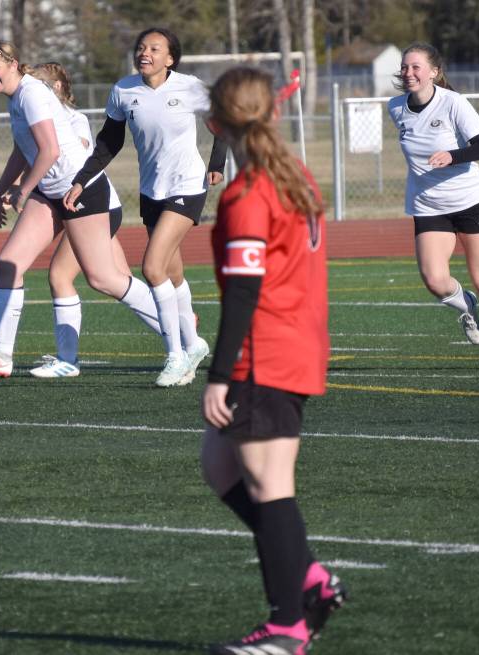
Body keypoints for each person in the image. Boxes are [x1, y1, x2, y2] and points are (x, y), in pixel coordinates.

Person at [199, 67, 345, 655]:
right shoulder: (291, 176)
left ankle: (287, 623)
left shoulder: (250, 192)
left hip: (267, 355)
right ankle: (307, 577)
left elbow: (244, 290)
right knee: (221, 467)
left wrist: (220, 375)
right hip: (293, 347)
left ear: (215, 123)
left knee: (270, 487)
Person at [0, 41, 160, 379]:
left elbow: (50, 150)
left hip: (80, 191)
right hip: (51, 191)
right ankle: (1, 356)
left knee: (103, 278)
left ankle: (178, 329)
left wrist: (22, 190)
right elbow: (24, 150)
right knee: (9, 262)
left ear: (14, 64)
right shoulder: (16, 98)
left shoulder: (31, 93)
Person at [64, 27, 226, 387]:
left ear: (170, 58)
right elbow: (109, 141)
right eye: (141, 47)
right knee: (173, 273)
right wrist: (81, 179)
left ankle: (175, 356)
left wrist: (217, 163)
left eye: (154, 48)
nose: (145, 52)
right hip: (152, 191)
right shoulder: (123, 90)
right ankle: (195, 343)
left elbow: (222, 125)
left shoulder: (190, 87)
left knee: (152, 268)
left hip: (187, 185)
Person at [388, 42, 479, 371]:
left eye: (416, 67)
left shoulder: (453, 103)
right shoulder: (395, 108)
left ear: (434, 72)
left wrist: (452, 156)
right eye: (405, 67)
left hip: (469, 200)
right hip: (427, 206)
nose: (409, 73)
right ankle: (467, 305)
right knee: (434, 279)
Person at [26, 62, 162, 378]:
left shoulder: (72, 119)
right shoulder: (43, 120)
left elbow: (80, 155)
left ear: (56, 88)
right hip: (90, 206)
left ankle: (67, 361)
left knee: (65, 276)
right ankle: (180, 330)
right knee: (118, 279)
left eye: (39, 85)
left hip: (93, 205)